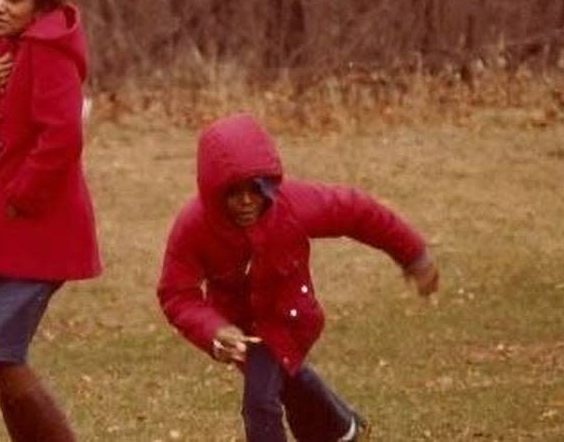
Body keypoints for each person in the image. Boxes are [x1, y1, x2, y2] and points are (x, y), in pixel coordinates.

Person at [157, 113, 440, 442]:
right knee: (287, 380)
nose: (247, 201)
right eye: (234, 193)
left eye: (255, 189)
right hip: (242, 333)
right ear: (213, 193)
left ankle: (339, 428)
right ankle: (341, 429)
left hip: (289, 317)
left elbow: (358, 213)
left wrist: (413, 255)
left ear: (269, 183)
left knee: (260, 403)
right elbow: (177, 294)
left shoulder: (293, 204)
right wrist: (214, 330)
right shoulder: (194, 227)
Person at [0, 0, 101, 442]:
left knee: (0, 353)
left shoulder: (47, 51)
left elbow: (63, 137)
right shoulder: (4, 52)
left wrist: (20, 199)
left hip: (39, 230)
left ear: (38, 10)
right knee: (0, 357)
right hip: (9, 231)